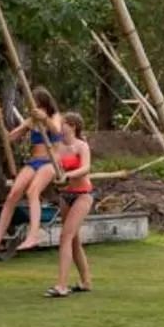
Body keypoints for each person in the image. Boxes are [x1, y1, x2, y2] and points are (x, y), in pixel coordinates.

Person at [0, 87, 61, 256]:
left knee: (33, 191)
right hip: (34, 161)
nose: (31, 108)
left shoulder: (55, 117)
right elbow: (9, 138)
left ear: (43, 104)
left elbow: (56, 130)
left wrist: (45, 119)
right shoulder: (31, 121)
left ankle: (34, 235)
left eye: (35, 104)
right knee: (13, 195)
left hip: (51, 161)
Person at [44, 112, 96, 298]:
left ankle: (62, 285)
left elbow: (86, 168)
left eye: (64, 123)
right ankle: (86, 281)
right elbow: (55, 169)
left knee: (65, 237)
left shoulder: (81, 146)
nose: (61, 127)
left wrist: (68, 175)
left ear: (73, 126)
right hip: (66, 195)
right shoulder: (58, 147)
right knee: (74, 240)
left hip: (83, 195)